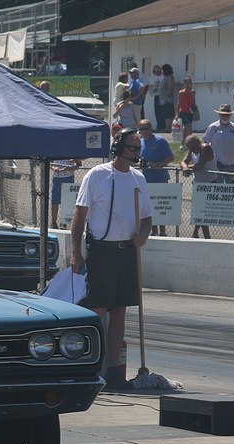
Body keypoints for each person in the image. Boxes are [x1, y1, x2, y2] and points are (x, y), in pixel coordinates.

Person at [68, 128, 152, 391]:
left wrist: (144, 234)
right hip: (102, 249)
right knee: (99, 308)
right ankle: (88, 365)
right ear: (118, 148)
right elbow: (79, 215)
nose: (136, 153)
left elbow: (147, 218)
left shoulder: (138, 179)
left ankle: (114, 368)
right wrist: (76, 251)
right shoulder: (97, 175)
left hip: (127, 251)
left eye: (139, 149)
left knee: (120, 309)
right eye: (132, 148)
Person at [137, 119, 174, 236]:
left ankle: (163, 231)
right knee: (149, 206)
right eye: (141, 129)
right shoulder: (140, 142)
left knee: (160, 206)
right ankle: (153, 231)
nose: (144, 131)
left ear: (151, 128)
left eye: (146, 128)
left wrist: (157, 164)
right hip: (146, 179)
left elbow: (170, 157)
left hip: (160, 178)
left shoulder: (159, 141)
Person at [180, 134, 216, 239]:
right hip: (199, 184)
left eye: (194, 148)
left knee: (203, 211)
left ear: (198, 143)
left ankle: (203, 235)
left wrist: (188, 168)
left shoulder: (206, 148)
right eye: (190, 149)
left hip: (210, 183)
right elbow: (183, 162)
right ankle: (197, 233)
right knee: (199, 210)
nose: (193, 150)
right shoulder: (192, 150)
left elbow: (200, 165)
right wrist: (185, 167)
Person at [202, 104, 234, 179]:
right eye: (223, 115)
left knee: (230, 183)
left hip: (230, 162)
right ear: (219, 115)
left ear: (230, 115)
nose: (225, 117)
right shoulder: (213, 127)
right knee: (217, 183)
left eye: (227, 115)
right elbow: (205, 142)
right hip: (216, 162)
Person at [50, 158, 81, 227]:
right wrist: (54, 168)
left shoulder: (72, 153)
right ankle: (54, 222)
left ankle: (64, 222)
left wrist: (69, 168)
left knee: (67, 201)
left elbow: (78, 165)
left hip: (68, 177)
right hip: (57, 178)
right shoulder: (55, 153)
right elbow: (50, 163)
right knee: (55, 200)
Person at [159, 64, 176, 132]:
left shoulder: (170, 77)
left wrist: (166, 97)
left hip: (168, 98)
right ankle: (167, 127)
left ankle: (168, 128)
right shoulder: (165, 77)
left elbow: (170, 88)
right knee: (165, 113)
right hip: (163, 98)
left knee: (168, 114)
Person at [147, 65, 164, 131]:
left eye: (156, 71)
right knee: (157, 111)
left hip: (162, 96)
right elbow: (150, 85)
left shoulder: (163, 77)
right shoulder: (153, 77)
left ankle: (162, 125)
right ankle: (159, 125)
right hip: (156, 95)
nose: (154, 73)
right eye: (154, 71)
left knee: (162, 111)